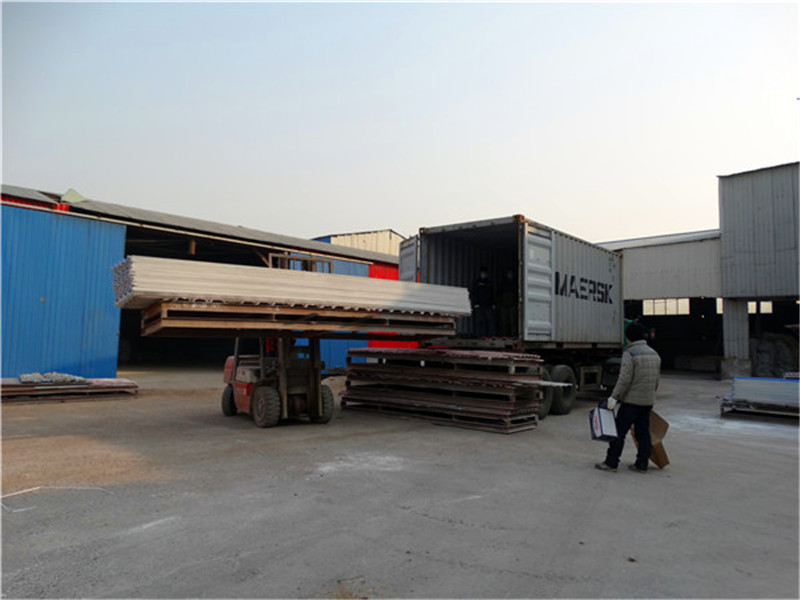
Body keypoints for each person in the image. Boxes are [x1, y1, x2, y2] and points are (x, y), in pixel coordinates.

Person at [595, 321, 661, 473]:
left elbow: (624, 379)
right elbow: (656, 379)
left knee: (619, 432)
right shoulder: (654, 354)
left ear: (628, 337)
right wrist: (651, 397)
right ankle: (642, 464)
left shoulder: (630, 353)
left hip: (631, 401)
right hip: (647, 401)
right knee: (643, 433)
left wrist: (614, 397)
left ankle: (611, 462)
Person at [470, 266, 496, 337]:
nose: (483, 274)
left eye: (484, 273)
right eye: (482, 273)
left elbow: (492, 293)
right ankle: (480, 335)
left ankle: (492, 335)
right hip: (479, 305)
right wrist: (475, 303)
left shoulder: (489, 283)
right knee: (480, 321)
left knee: (490, 320)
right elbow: (474, 293)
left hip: (488, 305)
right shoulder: (477, 283)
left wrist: (493, 303)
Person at [498, 267, 517, 337]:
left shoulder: (515, 283)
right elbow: (499, 293)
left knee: (513, 321)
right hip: (504, 304)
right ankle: (504, 335)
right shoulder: (503, 283)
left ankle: (513, 334)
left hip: (512, 304)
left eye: (511, 273)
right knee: (504, 321)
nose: (510, 274)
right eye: (509, 273)